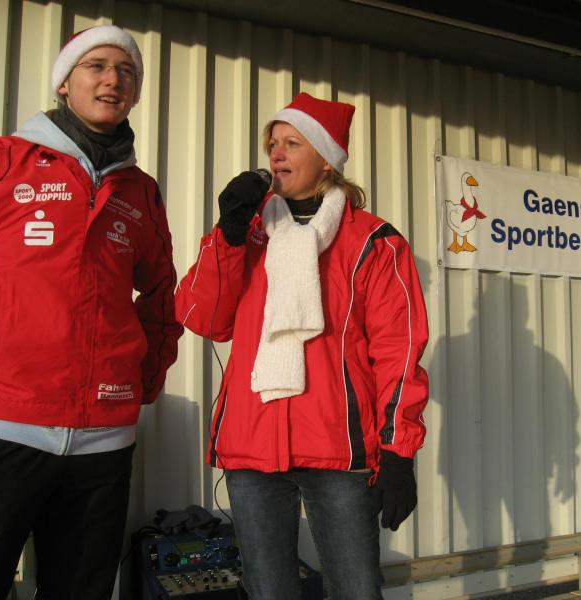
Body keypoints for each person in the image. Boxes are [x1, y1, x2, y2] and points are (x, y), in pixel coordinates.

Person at [175, 92, 429, 599]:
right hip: (252, 443)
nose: (276, 153)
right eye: (273, 144)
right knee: (269, 592)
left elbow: (398, 350)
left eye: (292, 143)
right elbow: (202, 317)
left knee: (355, 590)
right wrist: (227, 235)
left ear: (327, 159)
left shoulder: (375, 242)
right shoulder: (249, 233)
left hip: (338, 448)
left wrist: (399, 451)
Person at [0, 25, 182, 599]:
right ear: (65, 82)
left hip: (103, 442)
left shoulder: (141, 192)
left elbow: (162, 295)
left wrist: (142, 379)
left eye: (127, 71)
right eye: (97, 66)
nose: (114, 79)